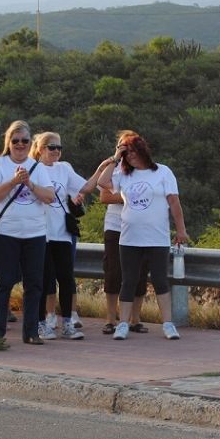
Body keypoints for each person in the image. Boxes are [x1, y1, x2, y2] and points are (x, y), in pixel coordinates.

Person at [98, 133, 189, 341]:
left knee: (159, 280)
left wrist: (181, 230)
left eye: (131, 151)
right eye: (125, 153)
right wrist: (115, 157)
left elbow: (174, 203)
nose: (128, 156)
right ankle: (123, 324)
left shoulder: (163, 172)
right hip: (129, 238)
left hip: (157, 237)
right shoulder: (123, 173)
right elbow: (103, 183)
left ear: (142, 151)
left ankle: (168, 323)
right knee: (128, 280)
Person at [29, 132, 110, 341]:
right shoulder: (32, 168)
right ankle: (41, 324)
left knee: (66, 278)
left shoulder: (64, 168)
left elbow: (87, 187)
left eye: (59, 147)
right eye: (51, 147)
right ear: (40, 149)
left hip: (62, 233)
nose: (56, 151)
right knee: (43, 280)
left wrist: (101, 168)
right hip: (40, 232)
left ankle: (67, 322)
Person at [0, 120, 55, 344]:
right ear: (9, 142)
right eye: (16, 141)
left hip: (35, 233)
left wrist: (30, 184)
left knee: (34, 284)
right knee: (4, 282)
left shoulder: (38, 166)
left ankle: (31, 332)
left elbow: (49, 197)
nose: (20, 144)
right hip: (6, 233)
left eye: (25, 140)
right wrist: (14, 181)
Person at [99, 131, 150, 335]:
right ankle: (111, 319)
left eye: (130, 147)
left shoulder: (146, 170)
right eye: (122, 146)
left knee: (139, 274)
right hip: (115, 226)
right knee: (113, 273)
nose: (125, 151)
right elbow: (104, 196)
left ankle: (134, 319)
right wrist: (130, 197)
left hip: (140, 228)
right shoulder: (112, 169)